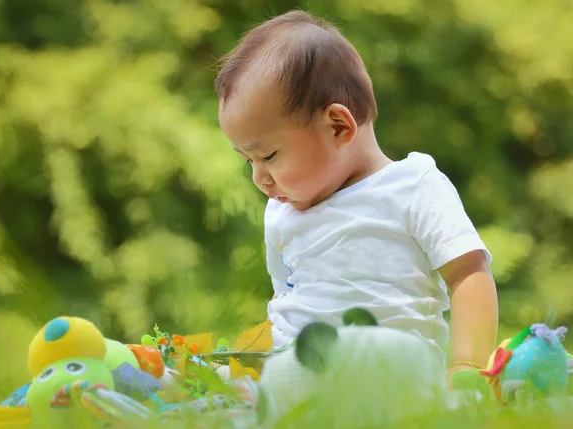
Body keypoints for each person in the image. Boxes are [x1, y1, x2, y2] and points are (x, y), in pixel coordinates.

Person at [214, 10, 499, 380]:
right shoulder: (281, 213)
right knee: (206, 382)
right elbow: (286, 301)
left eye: (268, 156)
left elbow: (469, 275)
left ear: (338, 126)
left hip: (389, 383)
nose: (259, 178)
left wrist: (467, 366)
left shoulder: (412, 188)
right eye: (248, 160)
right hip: (294, 380)